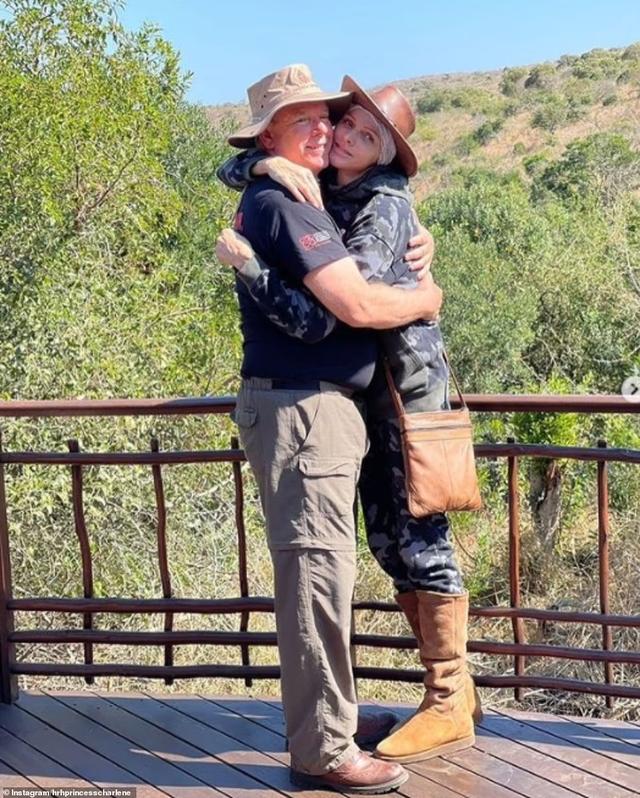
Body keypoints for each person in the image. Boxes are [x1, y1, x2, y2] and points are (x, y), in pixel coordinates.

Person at [216, 73, 482, 765]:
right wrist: (262, 166)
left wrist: (428, 297)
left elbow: (349, 304)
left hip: (405, 395)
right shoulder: (323, 189)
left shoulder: (382, 202)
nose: (341, 135)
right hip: (359, 400)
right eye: (345, 123)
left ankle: (449, 699)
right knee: (389, 542)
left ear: (386, 154)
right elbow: (236, 168)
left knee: (419, 538)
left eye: (365, 134)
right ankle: (449, 695)